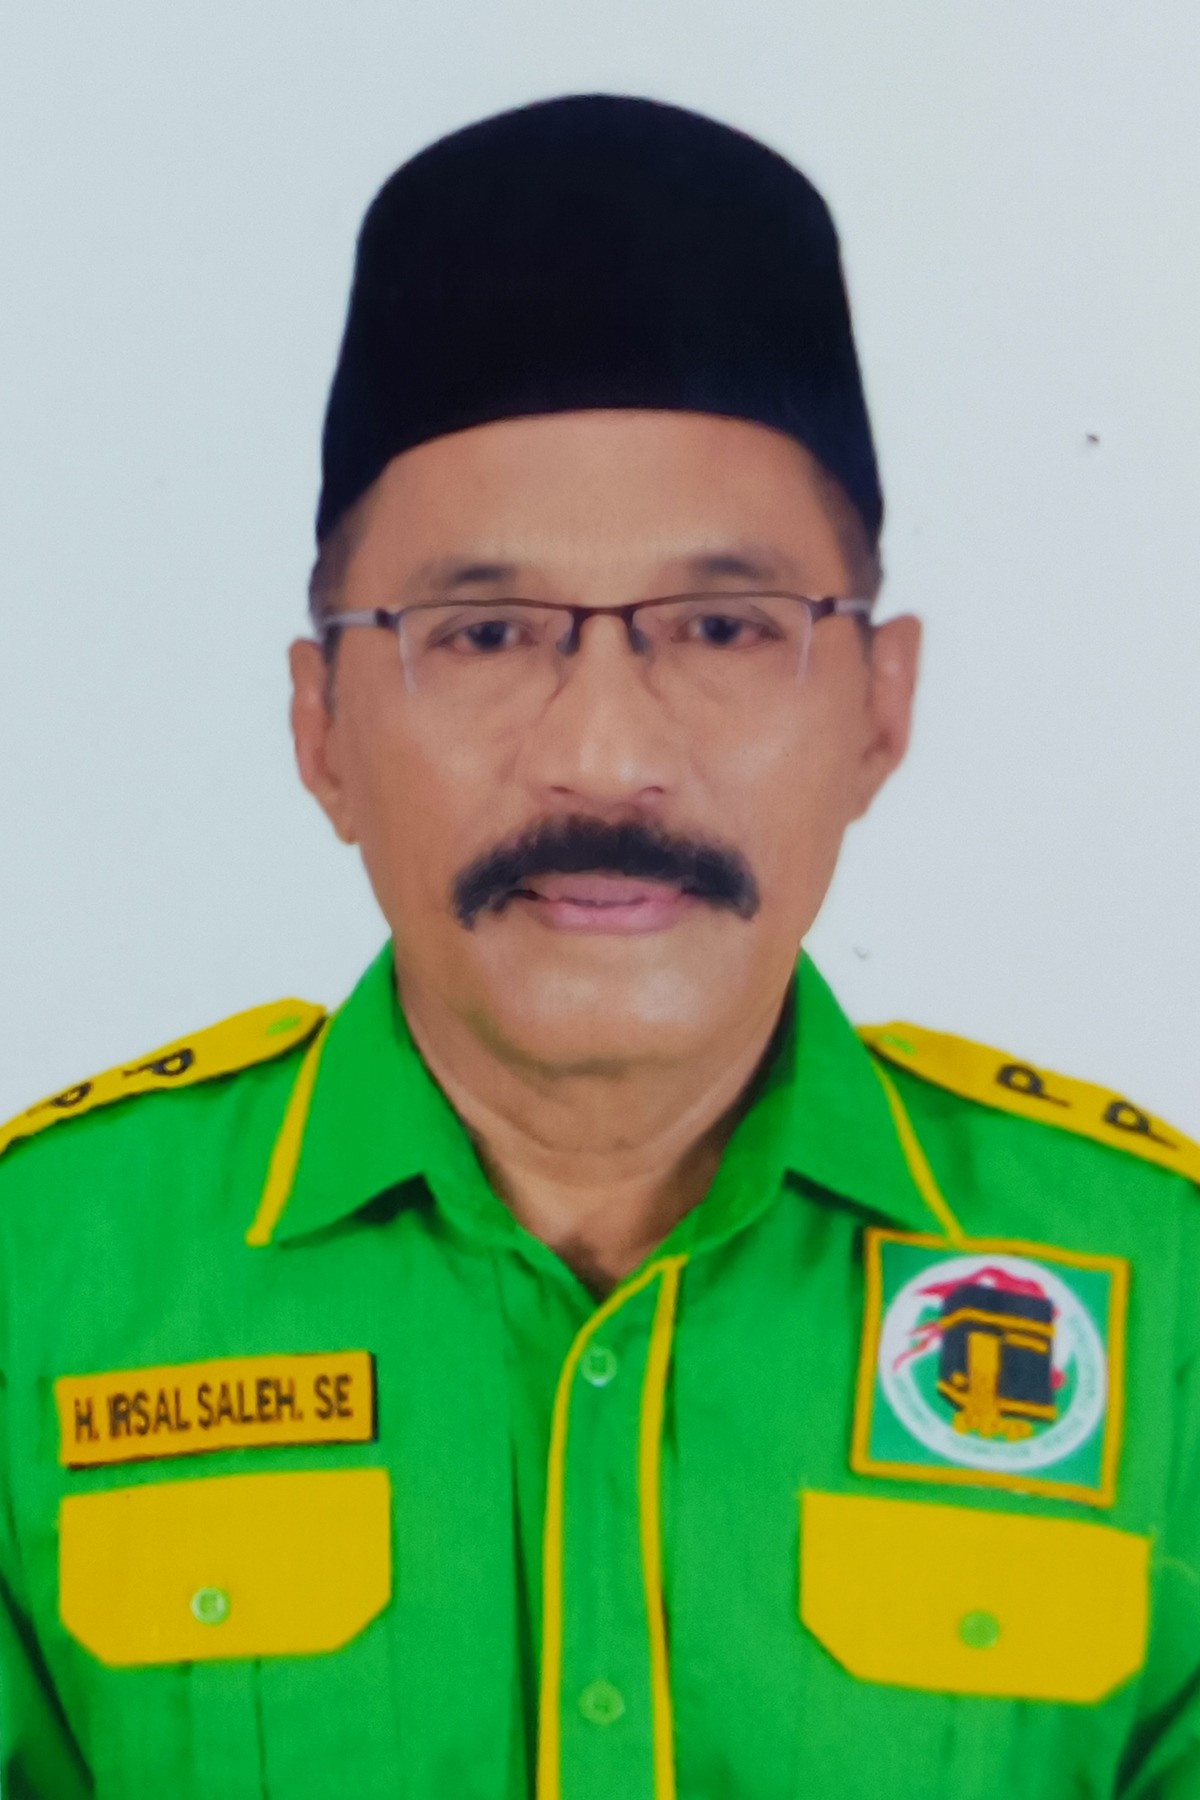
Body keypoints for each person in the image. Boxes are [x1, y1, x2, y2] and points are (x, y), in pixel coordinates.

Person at [1, 93, 1197, 1800]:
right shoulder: (39, 1278)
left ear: (880, 708)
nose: (605, 755)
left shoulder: (1164, 1298)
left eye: (721, 626)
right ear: (321, 727)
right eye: (487, 633)